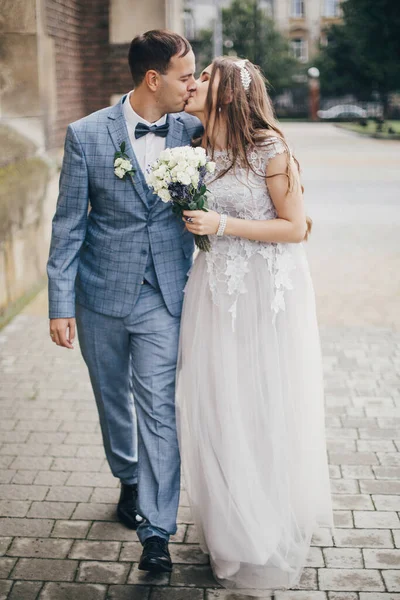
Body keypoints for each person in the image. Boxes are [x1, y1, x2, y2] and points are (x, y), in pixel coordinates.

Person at [176, 56, 333, 593]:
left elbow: (295, 228)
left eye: (203, 79)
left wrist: (222, 223)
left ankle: (263, 526)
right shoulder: (196, 150)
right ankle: (229, 526)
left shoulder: (272, 150)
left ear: (225, 94)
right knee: (219, 404)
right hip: (214, 290)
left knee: (260, 403)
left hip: (266, 294)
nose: (193, 84)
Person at [47, 30, 202, 574]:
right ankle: (128, 476)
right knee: (113, 399)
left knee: (159, 408)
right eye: (186, 76)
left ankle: (156, 530)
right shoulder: (86, 134)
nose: (194, 85)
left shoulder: (195, 131)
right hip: (99, 295)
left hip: (164, 293)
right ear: (152, 78)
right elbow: (67, 225)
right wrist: (59, 303)